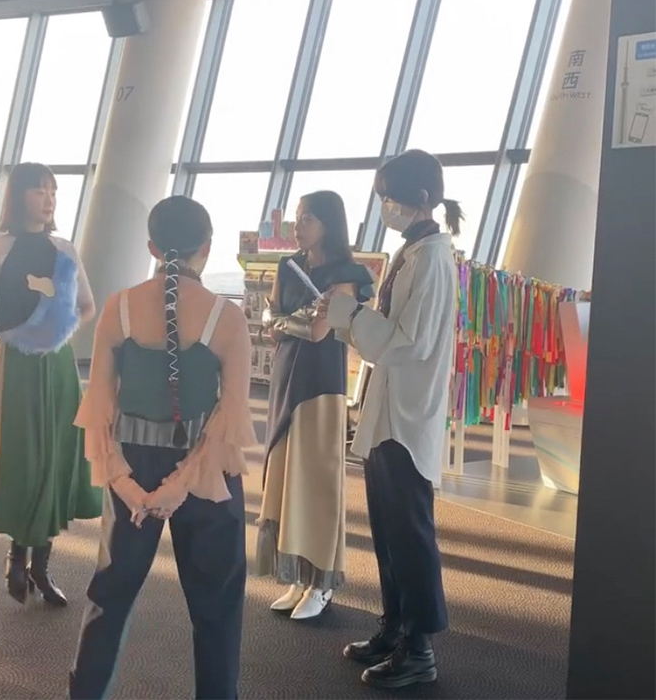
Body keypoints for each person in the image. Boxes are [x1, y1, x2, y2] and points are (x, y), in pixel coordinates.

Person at [69, 195, 255, 700]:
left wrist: (126, 484)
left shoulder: (119, 307)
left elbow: (98, 409)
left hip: (131, 464)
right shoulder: (227, 317)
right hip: (207, 474)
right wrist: (179, 486)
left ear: (151, 247)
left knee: (109, 597)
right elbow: (230, 418)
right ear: (207, 248)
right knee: (217, 605)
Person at [317, 150, 460, 689]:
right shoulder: (412, 251)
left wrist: (351, 315)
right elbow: (390, 337)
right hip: (388, 413)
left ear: (421, 198)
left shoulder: (432, 259)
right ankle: (396, 627)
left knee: (409, 533)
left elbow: (405, 343)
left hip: (406, 416)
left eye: (389, 197)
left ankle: (418, 647)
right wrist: (350, 318)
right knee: (389, 531)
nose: (385, 207)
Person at [0, 162, 101, 606]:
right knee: (22, 457)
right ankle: (17, 554)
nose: (49, 199)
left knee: (56, 458)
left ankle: (42, 565)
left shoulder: (65, 249)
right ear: (18, 195)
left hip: (57, 365)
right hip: (14, 364)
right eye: (39, 190)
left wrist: (58, 332)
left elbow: (87, 305)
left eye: (53, 191)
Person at [257, 191, 373, 620]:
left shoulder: (347, 273)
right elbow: (271, 326)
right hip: (286, 377)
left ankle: (321, 581)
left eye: (307, 218)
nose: (297, 226)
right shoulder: (288, 266)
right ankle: (298, 575)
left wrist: (285, 322)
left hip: (322, 384)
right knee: (286, 477)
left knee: (317, 480)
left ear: (328, 223)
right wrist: (293, 321)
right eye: (297, 217)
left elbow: (319, 330)